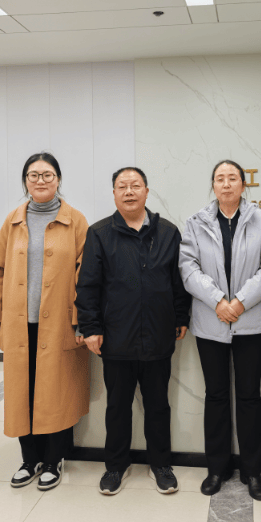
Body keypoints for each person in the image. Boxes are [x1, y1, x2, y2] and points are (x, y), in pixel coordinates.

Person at [75, 167, 191, 496]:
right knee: (117, 406)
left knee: (158, 406)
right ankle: (115, 466)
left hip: (158, 335)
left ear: (146, 191)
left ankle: (161, 465)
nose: (129, 191)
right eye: (122, 186)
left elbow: (178, 280)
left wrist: (181, 316)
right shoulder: (99, 233)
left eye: (135, 185)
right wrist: (91, 328)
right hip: (116, 338)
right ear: (114, 193)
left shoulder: (168, 232)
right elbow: (87, 285)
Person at [0, 152, 90, 491]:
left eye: (47, 175)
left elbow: (86, 275)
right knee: (23, 392)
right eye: (33, 175)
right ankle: (29, 459)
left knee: (56, 391)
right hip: (19, 325)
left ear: (58, 179)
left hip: (59, 324)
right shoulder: (13, 221)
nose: (40, 180)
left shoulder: (76, 221)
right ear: (25, 181)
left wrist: (81, 321)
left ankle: (54, 459)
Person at [179, 160, 261, 501]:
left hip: (250, 322)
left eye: (232, 178)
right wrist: (218, 301)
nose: (226, 184)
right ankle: (217, 468)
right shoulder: (195, 222)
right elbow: (188, 268)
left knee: (250, 396)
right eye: (220, 179)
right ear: (213, 185)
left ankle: (252, 471)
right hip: (211, 322)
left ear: (243, 184)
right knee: (216, 395)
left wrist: (239, 302)